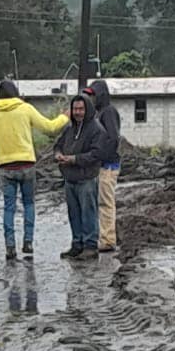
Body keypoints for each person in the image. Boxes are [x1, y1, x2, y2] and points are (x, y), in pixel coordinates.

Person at [0, 79, 70, 261]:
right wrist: (65, 117)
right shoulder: (25, 108)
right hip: (27, 165)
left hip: (6, 166)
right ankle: (28, 243)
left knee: (9, 208)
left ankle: (10, 247)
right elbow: (49, 127)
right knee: (29, 204)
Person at [54, 93, 108, 260]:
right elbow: (58, 145)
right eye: (75, 109)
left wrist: (74, 159)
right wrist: (58, 154)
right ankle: (77, 244)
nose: (77, 112)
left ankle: (90, 246)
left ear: (88, 109)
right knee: (74, 213)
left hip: (87, 178)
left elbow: (96, 154)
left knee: (88, 212)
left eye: (81, 109)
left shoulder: (97, 129)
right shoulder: (69, 129)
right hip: (70, 178)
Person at [87, 79, 122, 253]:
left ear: (100, 95)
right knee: (100, 202)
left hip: (108, 165)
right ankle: (104, 237)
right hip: (102, 165)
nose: (91, 98)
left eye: (93, 95)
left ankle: (108, 240)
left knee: (106, 203)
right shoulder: (100, 113)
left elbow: (113, 138)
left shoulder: (108, 112)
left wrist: (99, 156)